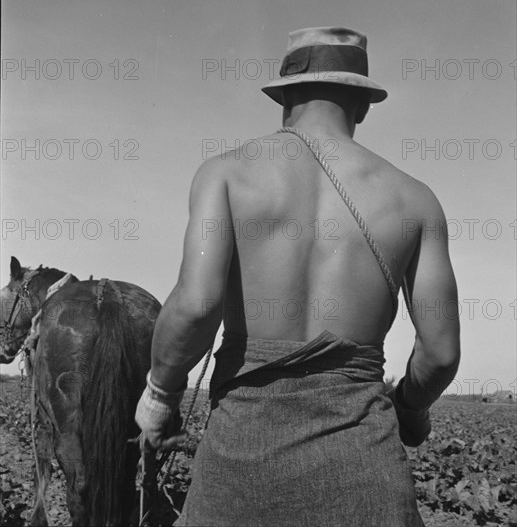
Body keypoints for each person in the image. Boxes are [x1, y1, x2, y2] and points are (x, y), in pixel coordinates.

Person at [136, 27, 461, 526]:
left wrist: (160, 398)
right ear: (363, 105)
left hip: (240, 470)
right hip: (364, 473)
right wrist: (410, 411)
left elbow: (197, 306)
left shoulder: (226, 174)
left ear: (284, 98)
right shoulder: (416, 199)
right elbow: (440, 353)